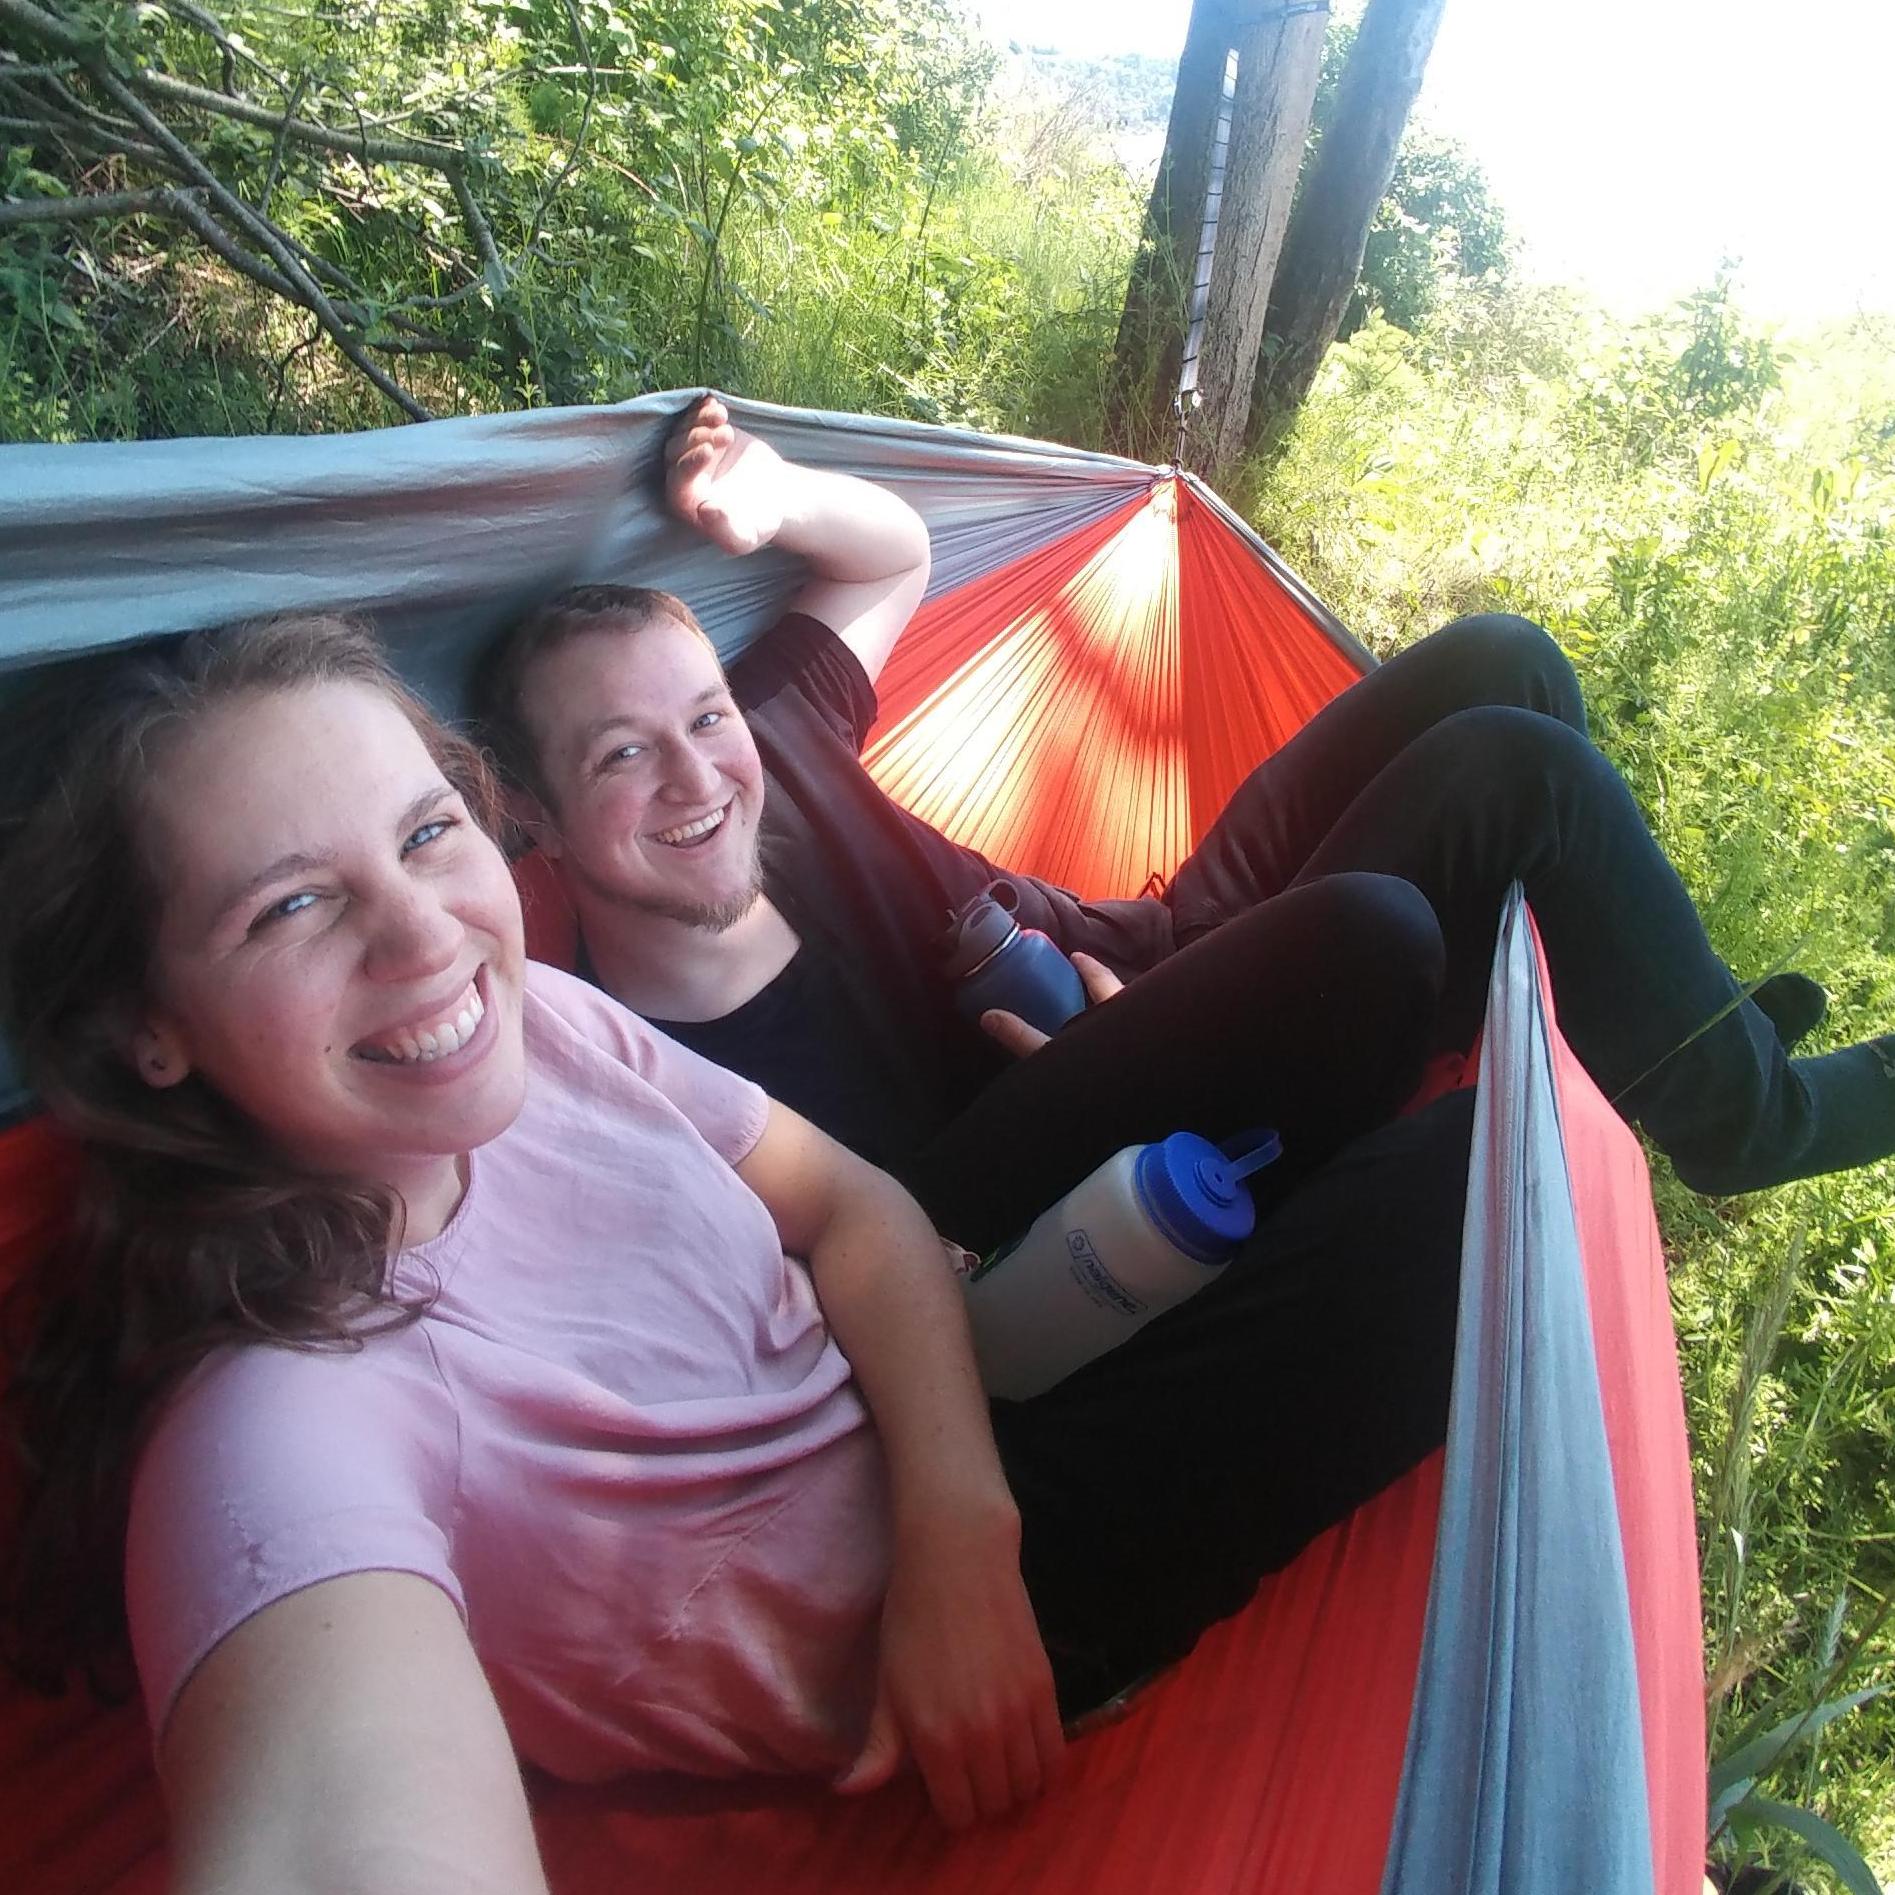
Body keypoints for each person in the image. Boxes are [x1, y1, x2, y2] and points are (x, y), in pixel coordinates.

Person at [0, 613, 1484, 1893]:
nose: (426, 939)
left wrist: (958, 1533)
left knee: (1367, 947)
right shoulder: (285, 1416)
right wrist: (977, 1571)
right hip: (946, 1631)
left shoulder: (538, 1023)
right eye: (292, 906)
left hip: (944, 1441)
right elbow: (335, 1815)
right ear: (146, 1029)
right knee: (1482, 1187)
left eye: (426, 832)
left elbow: (853, 1212)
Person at [473, 398, 1892, 1245]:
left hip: (1139, 936)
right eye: (620, 757)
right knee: (1513, 774)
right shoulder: (623, 1073)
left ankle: (1645, 1023)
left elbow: (889, 552)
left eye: (701, 715)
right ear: (524, 814)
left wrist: (766, 500)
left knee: (1499, 659)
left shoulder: (771, 735)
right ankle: (1747, 1117)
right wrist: (1076, 1074)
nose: (698, 776)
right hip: (1097, 1122)